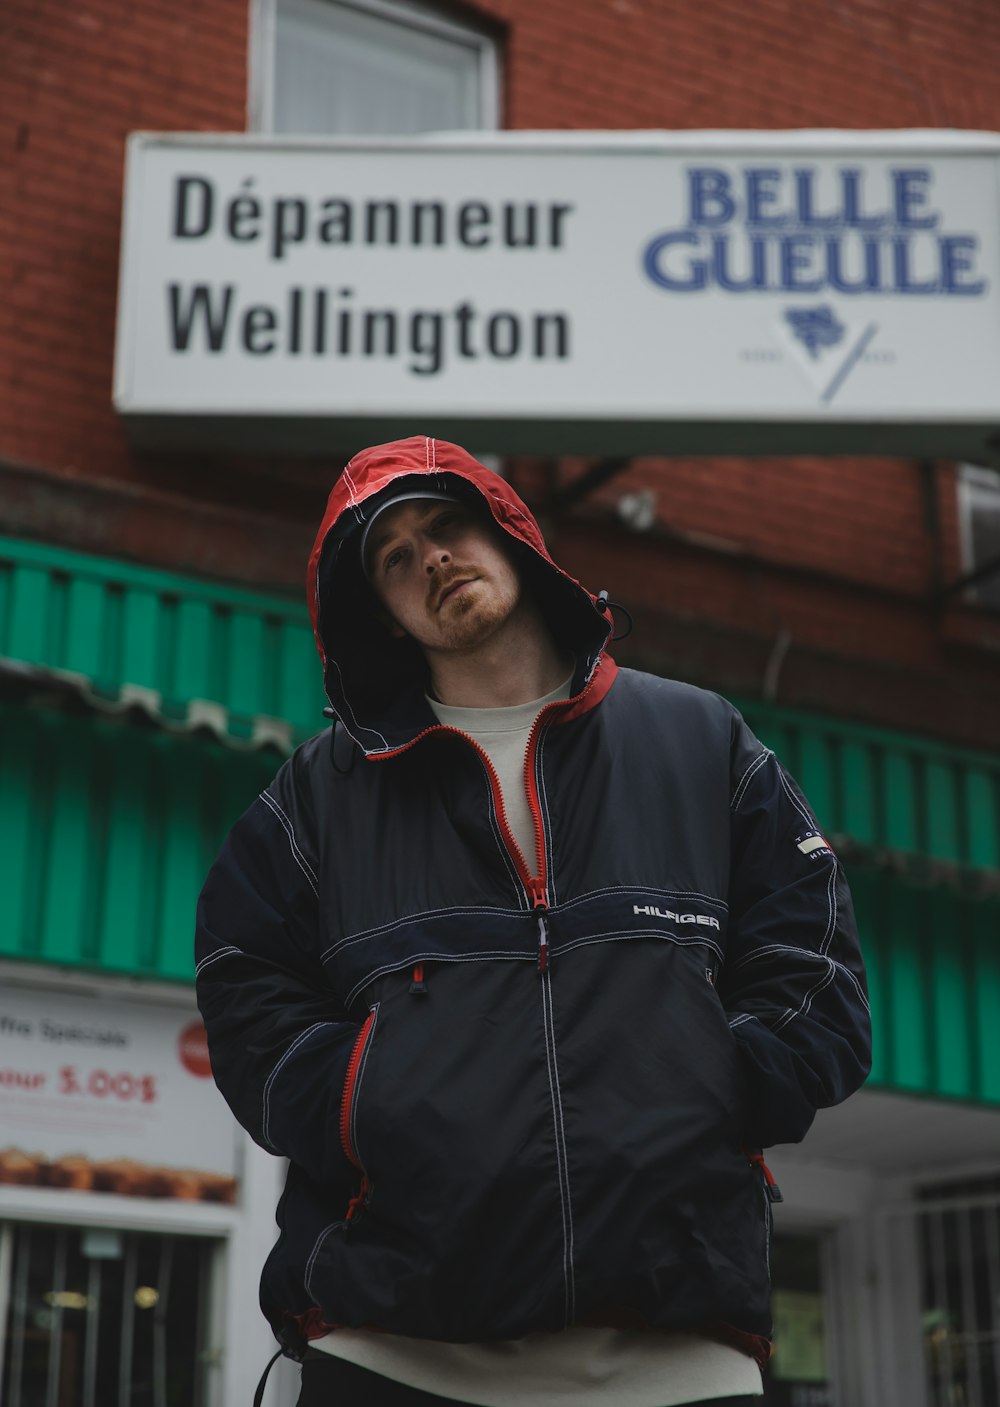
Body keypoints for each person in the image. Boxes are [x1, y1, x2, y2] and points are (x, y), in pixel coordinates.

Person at [195, 435, 871, 1407]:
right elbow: (245, 999)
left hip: (678, 1358)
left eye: (446, 525)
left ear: (510, 534)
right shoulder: (316, 796)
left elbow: (818, 967)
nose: (429, 558)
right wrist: (368, 1094)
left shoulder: (700, 739)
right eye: (394, 557)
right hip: (391, 1356)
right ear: (376, 611)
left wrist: (715, 1078)